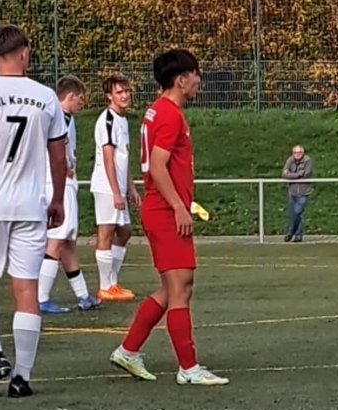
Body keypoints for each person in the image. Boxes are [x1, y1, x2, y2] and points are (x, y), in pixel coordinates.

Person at [0, 25, 67, 399]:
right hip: (30, 205)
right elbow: (59, 158)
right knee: (26, 288)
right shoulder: (46, 97)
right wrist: (57, 200)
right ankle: (21, 377)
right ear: (25, 53)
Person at [110, 50, 228, 386]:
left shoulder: (158, 111)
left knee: (173, 287)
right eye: (195, 74)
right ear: (181, 79)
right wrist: (178, 206)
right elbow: (159, 166)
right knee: (180, 287)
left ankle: (128, 350)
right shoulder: (169, 114)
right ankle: (188, 368)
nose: (199, 81)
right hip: (164, 210)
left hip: (161, 208)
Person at [38, 75, 102, 314]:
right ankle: (41, 298)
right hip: (59, 183)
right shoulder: (56, 117)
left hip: (61, 182)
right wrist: (64, 167)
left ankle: (83, 296)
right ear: (71, 96)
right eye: (80, 99)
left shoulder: (62, 117)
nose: (81, 103)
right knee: (57, 239)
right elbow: (52, 147)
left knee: (67, 243)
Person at [90, 74, 140, 301]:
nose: (125, 95)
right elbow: (108, 158)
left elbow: (123, 159)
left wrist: (131, 188)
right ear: (109, 96)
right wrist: (116, 192)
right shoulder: (108, 120)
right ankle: (105, 286)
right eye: (119, 92)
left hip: (118, 186)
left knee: (125, 231)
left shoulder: (123, 120)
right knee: (107, 231)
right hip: (106, 186)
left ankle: (112, 282)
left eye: (127, 91)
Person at [283, 145, 312, 242]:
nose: (297, 154)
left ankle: (290, 232)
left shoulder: (307, 160)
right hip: (292, 191)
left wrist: (291, 175)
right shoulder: (290, 160)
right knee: (293, 214)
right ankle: (298, 235)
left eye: (299, 153)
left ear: (303, 153)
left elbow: (306, 173)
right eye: (295, 153)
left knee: (297, 212)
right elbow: (285, 174)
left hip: (303, 192)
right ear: (292, 153)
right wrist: (298, 174)